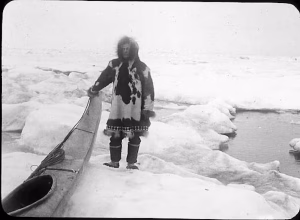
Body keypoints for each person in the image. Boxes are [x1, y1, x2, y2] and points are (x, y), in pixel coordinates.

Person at [87, 36, 155, 170]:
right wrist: (94, 89)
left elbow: (149, 90)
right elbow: (104, 78)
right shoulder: (115, 65)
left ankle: (131, 163)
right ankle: (114, 162)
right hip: (118, 108)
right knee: (115, 135)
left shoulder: (143, 68)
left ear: (134, 50)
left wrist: (147, 109)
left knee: (134, 136)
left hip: (136, 108)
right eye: (123, 49)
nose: (125, 51)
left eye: (128, 49)